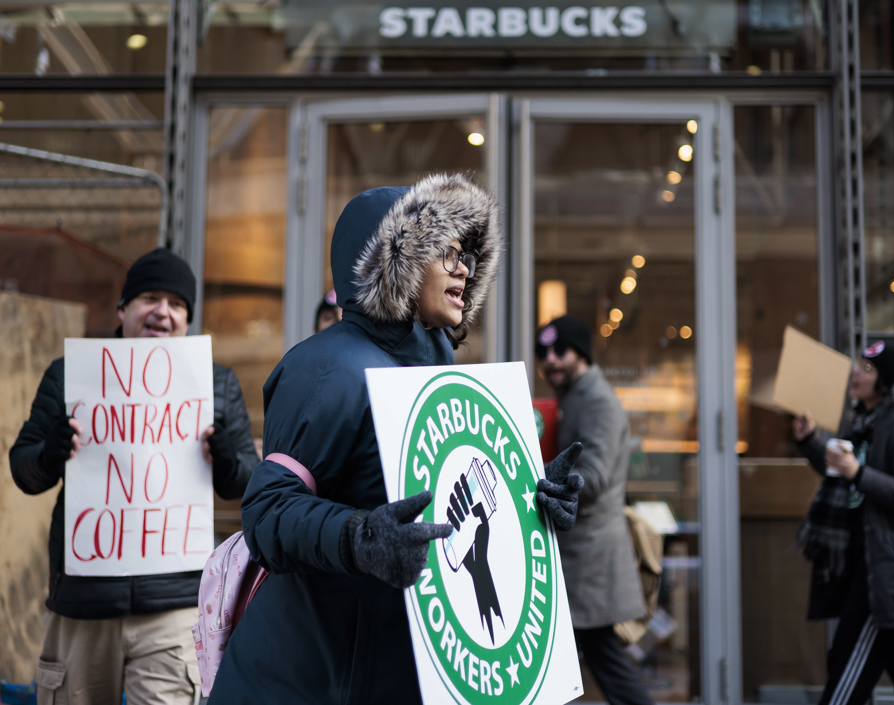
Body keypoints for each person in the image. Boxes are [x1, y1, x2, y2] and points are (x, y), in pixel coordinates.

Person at [208, 173, 584, 704]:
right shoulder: (325, 368)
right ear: (395, 264)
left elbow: (443, 497)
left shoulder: (437, 361)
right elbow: (267, 512)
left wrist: (531, 501)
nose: (463, 267)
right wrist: (360, 536)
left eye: (465, 254)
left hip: (398, 672)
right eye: (444, 252)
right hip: (309, 679)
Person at [9, 247, 260, 705]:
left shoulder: (215, 384)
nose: (163, 312)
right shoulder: (70, 377)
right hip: (83, 606)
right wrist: (50, 453)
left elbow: (245, 483)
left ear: (187, 320)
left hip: (173, 610)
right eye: (150, 298)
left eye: (177, 303)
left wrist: (227, 459)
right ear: (123, 309)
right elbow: (24, 471)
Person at [792, 339, 894, 705]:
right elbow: (842, 473)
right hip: (872, 566)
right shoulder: (865, 424)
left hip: (889, 572)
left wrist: (858, 473)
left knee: (846, 672)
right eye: (857, 365)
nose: (855, 372)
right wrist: (809, 442)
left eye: (867, 369)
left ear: (887, 380)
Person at [535, 315, 653, 705]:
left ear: (580, 353)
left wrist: (555, 483)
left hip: (590, 559)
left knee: (603, 659)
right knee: (590, 658)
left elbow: (595, 475)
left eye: (560, 351)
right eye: (543, 353)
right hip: (581, 557)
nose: (550, 360)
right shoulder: (576, 396)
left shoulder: (598, 401)